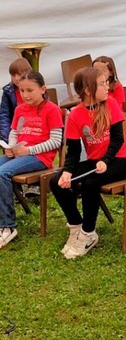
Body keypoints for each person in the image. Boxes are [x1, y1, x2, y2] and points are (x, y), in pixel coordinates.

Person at [50, 67, 126, 259]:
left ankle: (88, 233)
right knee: (57, 182)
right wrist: (68, 171)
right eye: (103, 84)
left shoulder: (111, 104)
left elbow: (118, 139)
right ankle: (76, 225)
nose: (107, 88)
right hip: (97, 161)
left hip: (120, 160)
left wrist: (106, 160)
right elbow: (74, 150)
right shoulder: (76, 114)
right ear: (88, 90)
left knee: (90, 183)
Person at [0, 71, 63, 248]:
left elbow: (55, 141)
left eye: (30, 90)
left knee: (2, 173)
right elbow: (15, 132)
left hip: (40, 157)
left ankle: (7, 226)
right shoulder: (20, 109)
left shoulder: (52, 109)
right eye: (22, 91)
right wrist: (11, 147)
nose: (25, 95)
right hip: (20, 153)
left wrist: (29, 150)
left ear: (42, 89)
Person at [0, 58, 32, 143]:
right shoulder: (8, 91)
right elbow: (4, 116)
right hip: (14, 131)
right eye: (13, 75)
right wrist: (6, 139)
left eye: (20, 74)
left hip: (34, 129)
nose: (17, 78)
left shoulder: (37, 88)